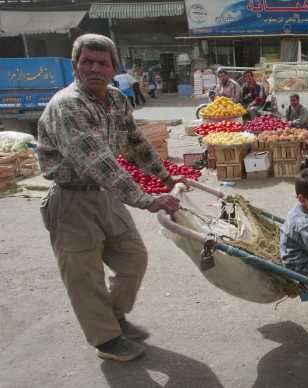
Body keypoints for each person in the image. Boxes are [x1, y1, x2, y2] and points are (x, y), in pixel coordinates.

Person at [37, 34, 183, 362]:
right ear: (75, 66)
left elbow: (137, 143)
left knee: (133, 258)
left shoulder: (117, 99)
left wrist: (165, 176)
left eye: (103, 63)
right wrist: (147, 199)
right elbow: (98, 161)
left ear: (114, 68)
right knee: (84, 275)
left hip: (106, 195)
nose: (94, 68)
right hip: (71, 200)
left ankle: (114, 317)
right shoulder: (68, 105)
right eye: (86, 61)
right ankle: (106, 340)